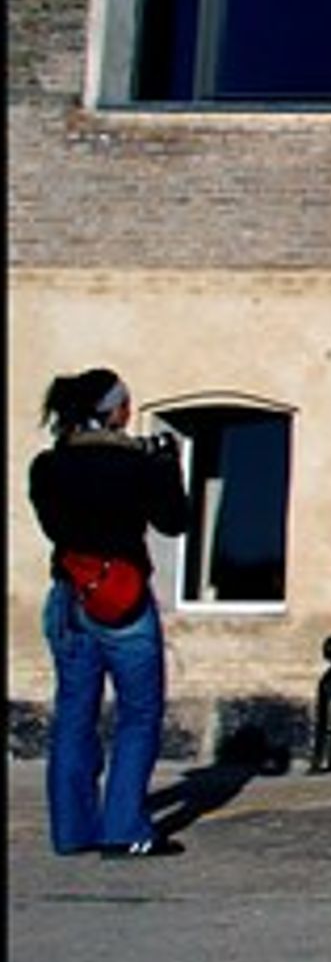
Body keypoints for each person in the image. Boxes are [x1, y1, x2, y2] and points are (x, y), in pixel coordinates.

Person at [28, 368, 192, 858]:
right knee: (138, 714)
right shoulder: (137, 465)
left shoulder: (48, 467)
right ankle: (124, 827)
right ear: (116, 409)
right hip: (123, 598)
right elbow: (174, 521)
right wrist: (167, 468)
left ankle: (73, 830)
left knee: (74, 713)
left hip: (69, 595)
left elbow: (53, 525)